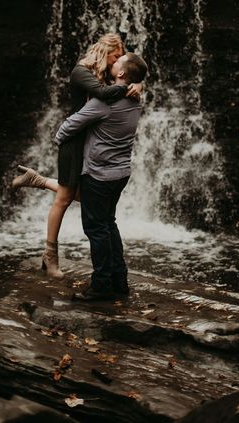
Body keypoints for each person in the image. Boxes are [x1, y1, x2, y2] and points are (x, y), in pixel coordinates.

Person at [11, 34, 142, 278]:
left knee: (83, 195)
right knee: (65, 198)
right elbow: (104, 94)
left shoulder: (107, 73)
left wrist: (139, 83)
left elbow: (128, 75)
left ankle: (36, 180)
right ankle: (50, 257)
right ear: (105, 52)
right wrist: (130, 86)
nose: (118, 61)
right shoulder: (81, 72)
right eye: (116, 56)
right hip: (74, 140)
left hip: (94, 140)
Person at [54, 52, 148, 301]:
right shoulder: (136, 98)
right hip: (121, 173)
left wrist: (59, 141)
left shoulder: (102, 103)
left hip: (98, 175)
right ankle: (120, 280)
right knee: (109, 224)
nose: (113, 61)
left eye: (118, 61)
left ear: (120, 73)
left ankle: (101, 285)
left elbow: (69, 127)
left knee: (96, 230)